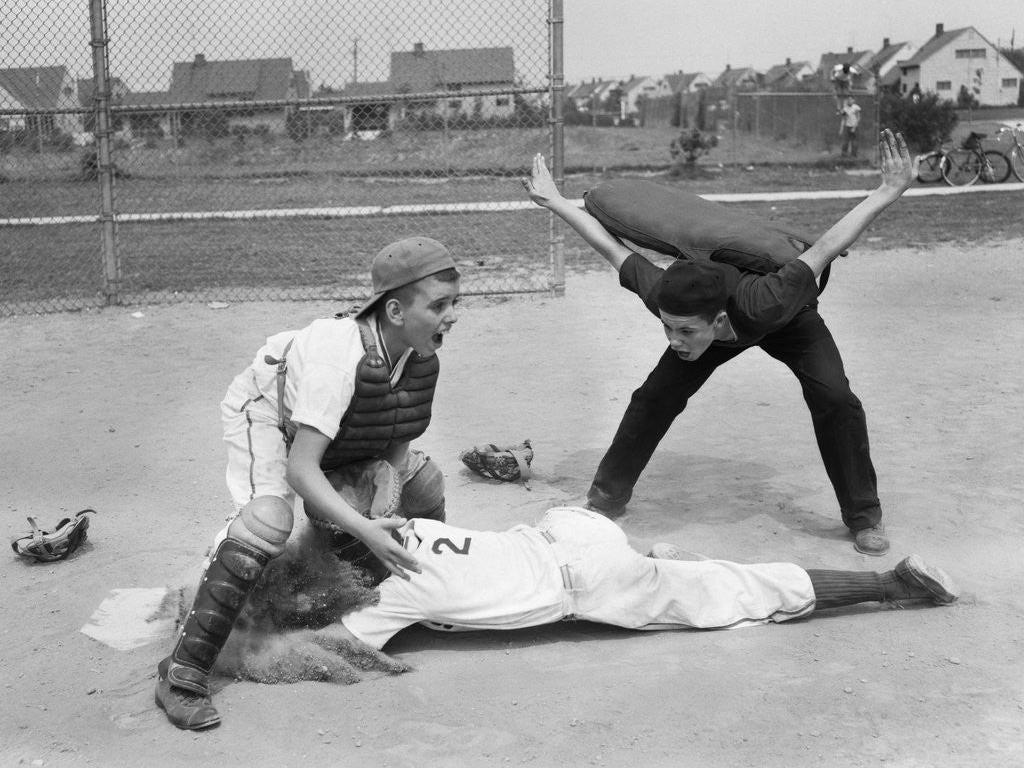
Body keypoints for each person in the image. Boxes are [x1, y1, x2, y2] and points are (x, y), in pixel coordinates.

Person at [521, 130, 921, 557]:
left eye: (684, 332)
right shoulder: (666, 296)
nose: (674, 341)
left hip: (789, 321)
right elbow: (608, 245)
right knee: (652, 397)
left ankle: (863, 516)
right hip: (714, 317)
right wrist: (556, 201)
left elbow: (826, 246)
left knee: (835, 397)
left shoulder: (768, 301)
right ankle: (605, 500)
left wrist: (887, 191)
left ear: (719, 321)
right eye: (667, 328)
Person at [154, 236, 462, 730]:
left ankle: (396, 594)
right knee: (269, 523)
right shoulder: (335, 362)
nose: (452, 316)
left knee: (421, 483)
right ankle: (183, 671)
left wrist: (379, 506)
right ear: (397, 311)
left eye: (455, 303)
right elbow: (301, 469)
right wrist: (363, 528)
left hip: (327, 425)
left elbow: (393, 441)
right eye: (439, 305)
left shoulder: (419, 356)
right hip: (269, 416)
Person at [329, 505, 959, 651]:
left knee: (741, 593)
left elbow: (334, 648)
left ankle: (889, 585)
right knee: (675, 573)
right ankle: (669, 564)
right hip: (571, 527)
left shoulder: (394, 591)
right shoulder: (397, 523)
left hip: (591, 578)